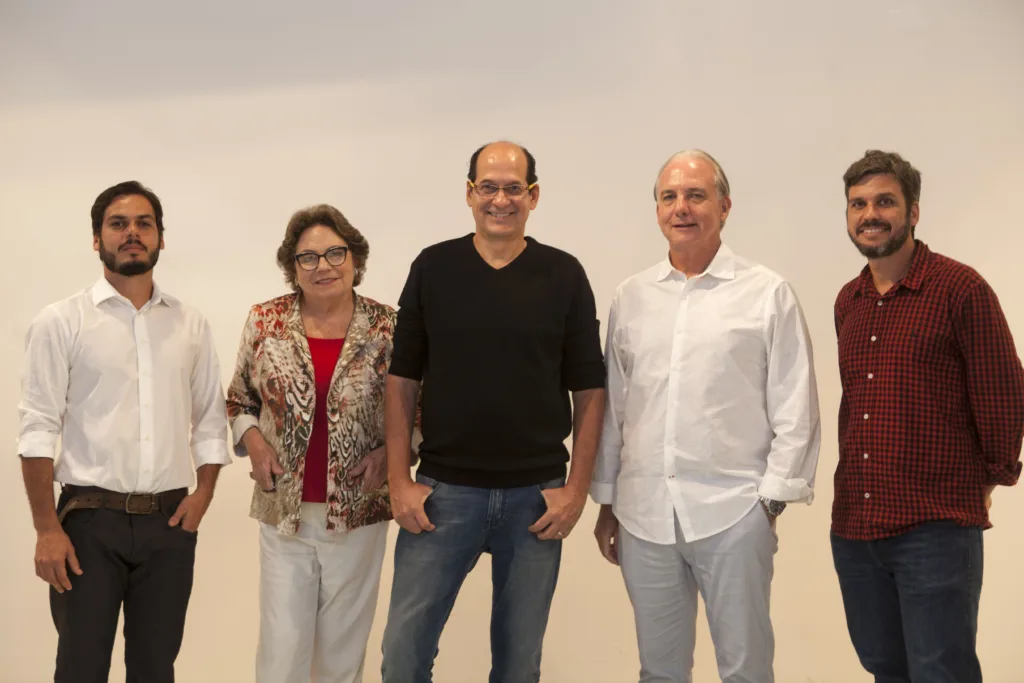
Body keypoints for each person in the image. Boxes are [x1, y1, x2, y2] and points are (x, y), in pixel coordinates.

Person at [380, 141, 606, 683]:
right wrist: (397, 481)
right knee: (403, 658)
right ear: (468, 193)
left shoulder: (564, 274)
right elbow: (401, 379)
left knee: (518, 664)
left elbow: (591, 390)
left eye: (513, 188)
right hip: (442, 494)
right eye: (488, 187)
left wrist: (576, 490)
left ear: (533, 196)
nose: (500, 199)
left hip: (536, 499)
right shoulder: (434, 267)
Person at [592, 150, 821, 683]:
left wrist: (769, 504)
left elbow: (795, 401)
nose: (682, 208)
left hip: (734, 511)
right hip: (644, 515)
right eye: (669, 196)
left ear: (724, 206)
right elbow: (616, 407)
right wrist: (607, 501)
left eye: (696, 195)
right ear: (656, 210)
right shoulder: (631, 298)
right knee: (659, 672)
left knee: (745, 670)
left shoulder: (767, 293)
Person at [17, 181, 232, 683]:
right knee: (80, 667)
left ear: (160, 237)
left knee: (156, 668)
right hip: (88, 525)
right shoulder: (60, 322)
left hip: (169, 523)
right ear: (97, 240)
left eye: (144, 224)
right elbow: (37, 429)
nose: (132, 233)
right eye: (118, 224)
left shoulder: (190, 324)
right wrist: (47, 530)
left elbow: (210, 420)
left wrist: (202, 495)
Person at [830, 150, 1024, 683]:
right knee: (885, 669)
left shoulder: (960, 289)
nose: (871, 214)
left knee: (942, 672)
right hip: (856, 528)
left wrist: (989, 478)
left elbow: (1005, 394)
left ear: (913, 211)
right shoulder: (849, 300)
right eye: (858, 204)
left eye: (885, 202)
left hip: (934, 528)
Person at [226, 204, 414, 683]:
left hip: (359, 511)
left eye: (335, 253)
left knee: (341, 649)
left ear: (355, 259)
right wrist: (254, 441)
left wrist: (391, 457)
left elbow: (421, 412)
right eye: (307, 257)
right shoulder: (265, 321)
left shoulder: (388, 326)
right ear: (293, 267)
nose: (323, 266)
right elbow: (238, 399)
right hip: (283, 508)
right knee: (282, 647)